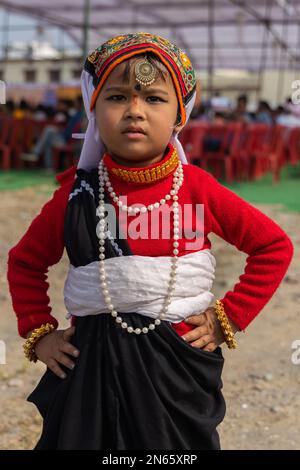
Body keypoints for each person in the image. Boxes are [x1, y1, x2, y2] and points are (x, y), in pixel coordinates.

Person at [7, 32, 293, 450]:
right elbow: (25, 263)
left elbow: (273, 247)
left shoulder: (199, 189)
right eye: (117, 97)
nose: (135, 111)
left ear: (181, 114)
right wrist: (40, 333)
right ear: (93, 108)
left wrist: (226, 317)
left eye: (155, 99)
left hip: (176, 374)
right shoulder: (76, 196)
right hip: (91, 369)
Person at [21, 95, 83, 171]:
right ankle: (49, 167)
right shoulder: (76, 114)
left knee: (49, 130)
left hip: (67, 140)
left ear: (80, 103)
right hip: (65, 138)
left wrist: (62, 131)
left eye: (76, 103)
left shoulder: (78, 115)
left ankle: (36, 152)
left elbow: (69, 132)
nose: (75, 104)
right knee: (48, 139)